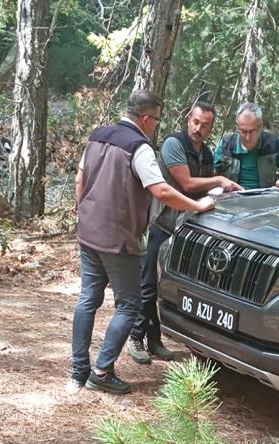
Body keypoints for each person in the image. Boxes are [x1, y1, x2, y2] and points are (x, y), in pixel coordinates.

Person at [71, 90, 215, 394]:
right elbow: (161, 190)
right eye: (157, 120)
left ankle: (78, 370)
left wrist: (80, 211)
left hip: (88, 232)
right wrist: (197, 206)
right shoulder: (140, 148)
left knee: (88, 299)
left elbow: (79, 179)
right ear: (146, 118)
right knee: (129, 304)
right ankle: (101, 370)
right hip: (119, 239)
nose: (156, 126)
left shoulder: (97, 135)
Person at [127, 101, 242, 364]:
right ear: (188, 119)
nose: (198, 128)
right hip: (160, 225)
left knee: (165, 287)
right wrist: (219, 180)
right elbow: (186, 183)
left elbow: (201, 192)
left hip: (185, 232)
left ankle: (154, 340)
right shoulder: (173, 145)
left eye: (205, 125)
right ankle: (136, 336)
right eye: (195, 122)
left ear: (211, 127)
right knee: (147, 285)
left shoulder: (206, 154)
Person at [214, 102, 279, 189]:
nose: (247, 137)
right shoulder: (226, 144)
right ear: (237, 127)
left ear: (260, 126)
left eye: (251, 131)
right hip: (233, 197)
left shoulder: (272, 143)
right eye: (243, 131)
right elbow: (213, 173)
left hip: (264, 198)